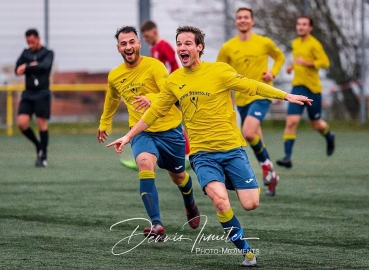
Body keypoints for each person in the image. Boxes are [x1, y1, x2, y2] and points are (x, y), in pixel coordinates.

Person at [106, 26, 312, 267]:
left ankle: (229, 181)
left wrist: (286, 96)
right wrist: (128, 137)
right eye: (179, 44)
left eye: (187, 43)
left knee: (251, 203)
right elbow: (152, 114)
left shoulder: (219, 71)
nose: (182, 48)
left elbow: (252, 86)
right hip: (203, 155)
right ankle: (246, 251)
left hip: (232, 150)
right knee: (220, 202)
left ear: (199, 47)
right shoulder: (174, 81)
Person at [97, 26, 200, 240]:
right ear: (118, 48)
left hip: (170, 131)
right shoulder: (115, 75)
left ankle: (189, 201)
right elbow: (112, 98)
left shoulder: (154, 65)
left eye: (131, 42)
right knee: (144, 165)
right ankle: (157, 224)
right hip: (141, 133)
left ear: (139, 44)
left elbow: (168, 91)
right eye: (123, 43)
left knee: (179, 176)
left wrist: (150, 98)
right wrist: (104, 122)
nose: (128, 47)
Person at [217, 7, 285, 196]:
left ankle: (266, 168)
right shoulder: (228, 47)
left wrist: (273, 72)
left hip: (262, 95)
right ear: (236, 22)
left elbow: (279, 57)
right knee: (256, 138)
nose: (243, 20)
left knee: (247, 132)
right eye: (239, 18)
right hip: (241, 99)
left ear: (253, 21)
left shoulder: (264, 42)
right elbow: (219, 72)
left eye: (246, 17)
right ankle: (271, 173)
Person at [276, 16, 335, 168]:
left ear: (310, 28)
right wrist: (292, 67)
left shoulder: (314, 44)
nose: (300, 27)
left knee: (317, 125)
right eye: (299, 24)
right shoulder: (295, 42)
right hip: (297, 87)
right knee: (291, 122)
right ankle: (287, 158)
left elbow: (325, 62)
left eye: (304, 24)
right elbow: (298, 61)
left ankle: (329, 136)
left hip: (313, 89)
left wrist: (307, 63)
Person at [15, 29, 54, 167]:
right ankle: (39, 146)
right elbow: (17, 68)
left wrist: (27, 67)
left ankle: (43, 156)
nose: (30, 45)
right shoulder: (25, 53)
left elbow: (45, 66)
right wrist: (23, 68)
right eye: (28, 42)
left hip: (42, 93)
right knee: (22, 123)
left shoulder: (48, 53)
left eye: (32, 42)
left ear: (38, 39)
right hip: (28, 93)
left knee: (41, 122)